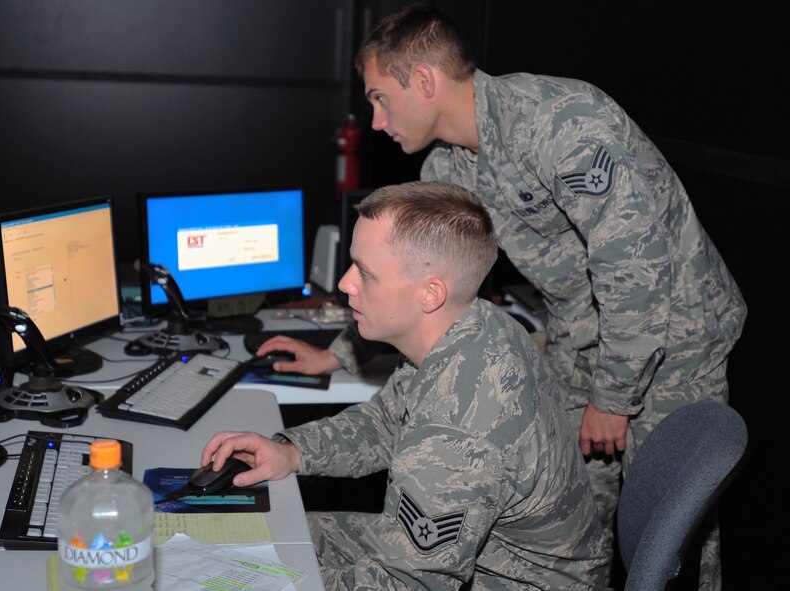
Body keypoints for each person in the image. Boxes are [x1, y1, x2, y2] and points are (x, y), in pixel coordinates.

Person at [257, 5, 747, 587]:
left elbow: (636, 269)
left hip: (674, 336)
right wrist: (339, 352)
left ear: (425, 80)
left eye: (380, 97)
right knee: (571, 510)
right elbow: (407, 275)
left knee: (673, 536)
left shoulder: (562, 120)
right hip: (582, 333)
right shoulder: (450, 167)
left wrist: (615, 397)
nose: (376, 118)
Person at [206, 181, 607, 589]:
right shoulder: (472, 323)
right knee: (263, 536)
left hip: (514, 581)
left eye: (365, 271)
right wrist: (292, 452)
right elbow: (386, 421)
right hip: (476, 558)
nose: (345, 283)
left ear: (430, 293)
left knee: (247, 573)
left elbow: (401, 583)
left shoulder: (460, 429)